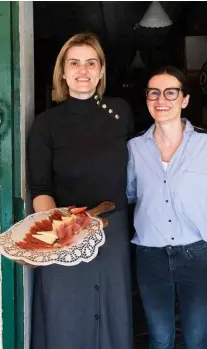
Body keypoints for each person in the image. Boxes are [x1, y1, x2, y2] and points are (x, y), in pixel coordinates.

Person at [28, 33, 134, 349]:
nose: (83, 70)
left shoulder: (120, 112)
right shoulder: (45, 124)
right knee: (65, 315)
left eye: (91, 62)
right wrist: (59, 229)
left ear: (101, 71)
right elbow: (41, 188)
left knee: (112, 316)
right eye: (74, 63)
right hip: (64, 231)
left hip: (112, 230)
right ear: (62, 72)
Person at [127, 66, 207, 349]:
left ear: (184, 100)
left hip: (199, 257)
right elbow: (127, 197)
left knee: (196, 338)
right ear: (147, 99)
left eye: (170, 93)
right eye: (154, 93)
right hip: (150, 257)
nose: (161, 100)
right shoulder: (134, 148)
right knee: (160, 337)